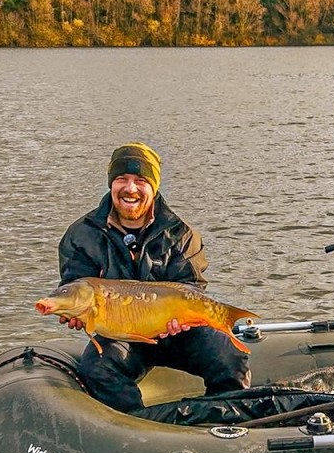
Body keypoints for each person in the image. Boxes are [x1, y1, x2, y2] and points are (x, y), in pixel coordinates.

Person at [55, 142, 250, 412]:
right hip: (122, 335)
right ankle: (137, 428)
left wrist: (182, 321)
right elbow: (73, 285)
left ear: (154, 186)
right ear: (111, 183)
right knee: (97, 369)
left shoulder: (181, 233)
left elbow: (191, 288)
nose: (130, 188)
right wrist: (75, 314)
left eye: (141, 181)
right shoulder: (82, 234)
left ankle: (225, 422)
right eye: (121, 179)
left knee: (230, 356)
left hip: (178, 332)